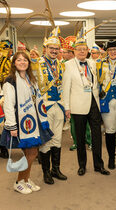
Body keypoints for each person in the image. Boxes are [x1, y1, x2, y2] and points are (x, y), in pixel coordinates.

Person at [0, 51, 53, 194]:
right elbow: (8, 105)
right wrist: (12, 125)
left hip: (33, 120)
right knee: (30, 153)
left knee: (33, 152)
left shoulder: (30, 78)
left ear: (28, 63)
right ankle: (18, 182)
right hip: (20, 122)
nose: (22, 62)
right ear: (14, 63)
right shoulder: (10, 80)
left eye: (25, 60)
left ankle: (26, 179)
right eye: (19, 60)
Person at [63, 38, 110, 176]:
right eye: (79, 49)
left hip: (94, 103)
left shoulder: (92, 63)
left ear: (88, 51)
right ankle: (81, 165)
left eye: (84, 49)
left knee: (97, 136)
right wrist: (67, 107)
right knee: (80, 136)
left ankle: (98, 165)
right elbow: (66, 88)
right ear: (74, 51)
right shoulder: (68, 65)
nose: (82, 52)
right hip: (77, 105)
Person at [34, 27, 67, 184]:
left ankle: (56, 169)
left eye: (56, 48)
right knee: (46, 140)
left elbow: (65, 87)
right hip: (44, 108)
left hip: (59, 106)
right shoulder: (37, 64)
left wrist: (66, 107)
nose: (54, 51)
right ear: (45, 48)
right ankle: (46, 172)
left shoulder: (61, 65)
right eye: (51, 48)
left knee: (58, 139)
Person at [97, 40, 116, 170]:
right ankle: (111, 158)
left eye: (115, 49)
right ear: (107, 52)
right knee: (109, 130)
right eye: (110, 50)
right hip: (107, 101)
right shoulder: (100, 65)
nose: (113, 52)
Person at [0, 40, 13, 159]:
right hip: (3, 94)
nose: (11, 52)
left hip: (3, 93)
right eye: (9, 49)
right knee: (3, 122)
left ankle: (3, 148)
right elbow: (8, 77)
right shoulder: (6, 62)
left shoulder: (7, 61)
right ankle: (3, 147)